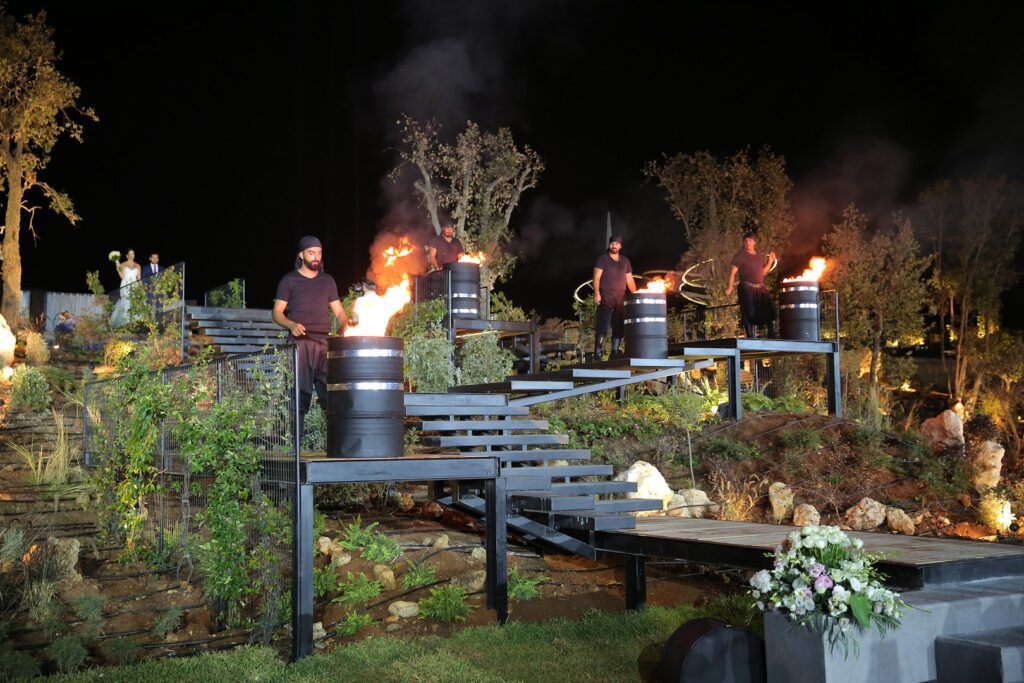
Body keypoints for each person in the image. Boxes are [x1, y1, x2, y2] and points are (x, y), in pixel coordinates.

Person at [272, 236, 351, 429]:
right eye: (311, 253)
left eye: (319, 253)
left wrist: (347, 324)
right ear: (301, 254)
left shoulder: (327, 281)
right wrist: (291, 325)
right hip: (300, 343)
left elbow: (339, 311)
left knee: (333, 394)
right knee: (298, 395)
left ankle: (337, 444)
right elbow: (276, 313)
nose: (316, 257)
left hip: (325, 344)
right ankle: (294, 446)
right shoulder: (289, 280)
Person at [725, 232, 778, 338]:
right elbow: (732, 273)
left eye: (750, 240)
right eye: (745, 240)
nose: (747, 242)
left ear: (754, 242)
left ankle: (772, 334)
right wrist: (730, 287)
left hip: (760, 287)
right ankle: (750, 336)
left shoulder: (759, 256)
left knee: (769, 308)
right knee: (748, 311)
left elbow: (763, 272)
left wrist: (770, 261)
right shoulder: (740, 256)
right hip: (747, 287)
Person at [592, 234, 636, 360]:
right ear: (609, 244)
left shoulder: (625, 261)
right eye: (612, 243)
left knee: (619, 326)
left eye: (616, 243)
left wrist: (636, 295)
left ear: (620, 246)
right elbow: (596, 278)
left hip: (620, 296)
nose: (614, 245)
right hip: (605, 295)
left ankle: (614, 352)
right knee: (603, 325)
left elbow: (630, 279)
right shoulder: (602, 259)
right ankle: (598, 352)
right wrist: (597, 293)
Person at [109, 249, 142, 328]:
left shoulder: (138, 265)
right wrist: (118, 268)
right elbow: (122, 277)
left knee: (135, 303)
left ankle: (134, 324)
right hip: (125, 284)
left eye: (133, 254)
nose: (132, 255)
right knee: (126, 302)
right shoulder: (122, 264)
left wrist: (141, 289)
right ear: (127, 255)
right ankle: (124, 324)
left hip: (135, 285)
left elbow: (139, 278)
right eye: (130, 254)